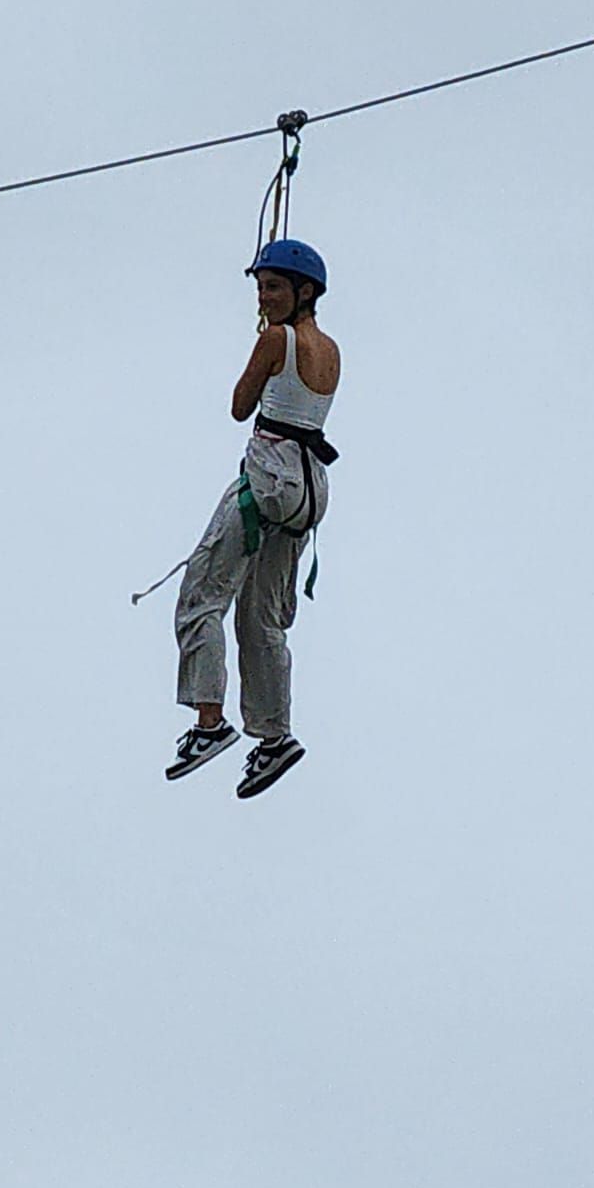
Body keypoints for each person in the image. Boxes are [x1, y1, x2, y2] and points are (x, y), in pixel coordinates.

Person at [165, 239, 341, 799]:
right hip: (308, 491)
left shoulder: (276, 338)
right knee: (262, 619)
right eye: (261, 287)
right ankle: (273, 737)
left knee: (202, 596)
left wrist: (262, 355)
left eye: (273, 287)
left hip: (268, 482)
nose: (263, 298)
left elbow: (241, 406)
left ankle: (209, 724)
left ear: (304, 292)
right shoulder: (332, 348)